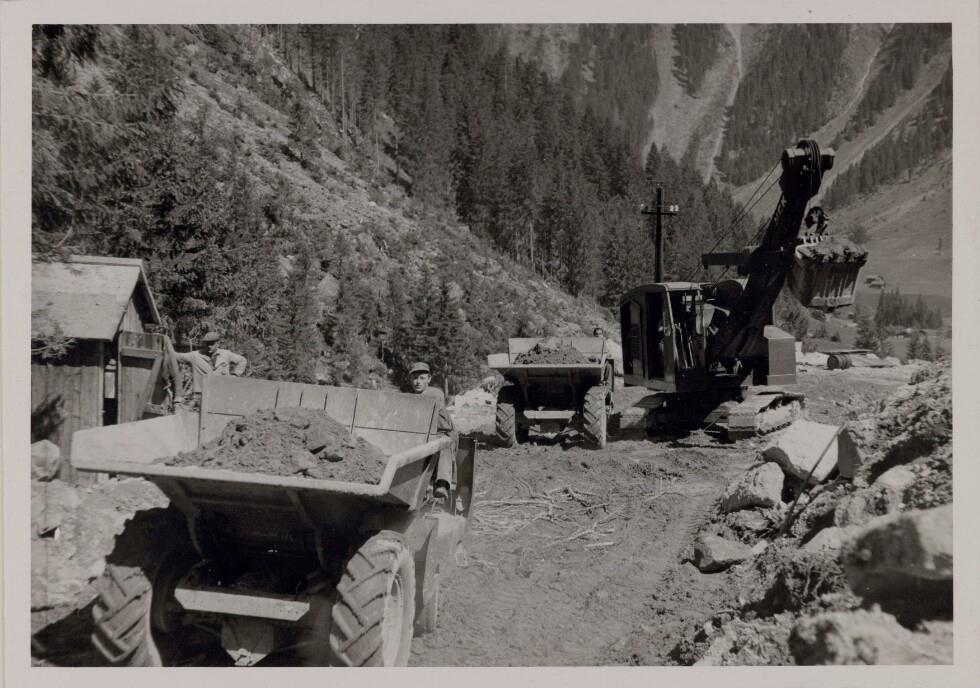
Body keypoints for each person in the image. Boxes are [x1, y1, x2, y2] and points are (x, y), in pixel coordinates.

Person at [407, 361, 455, 502]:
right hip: (418, 434)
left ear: (429, 379)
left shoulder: (435, 394)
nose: (417, 382)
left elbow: (441, 423)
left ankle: (442, 483)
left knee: (443, 444)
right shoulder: (410, 397)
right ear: (410, 379)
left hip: (438, 432)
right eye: (414, 378)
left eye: (422, 378)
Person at [166, 331, 247, 410]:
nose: (209, 346)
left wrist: (235, 375)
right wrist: (166, 340)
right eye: (207, 344)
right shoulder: (195, 356)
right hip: (201, 397)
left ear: (218, 344)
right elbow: (175, 356)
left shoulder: (226, 354)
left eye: (212, 344)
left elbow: (242, 360)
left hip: (222, 395)